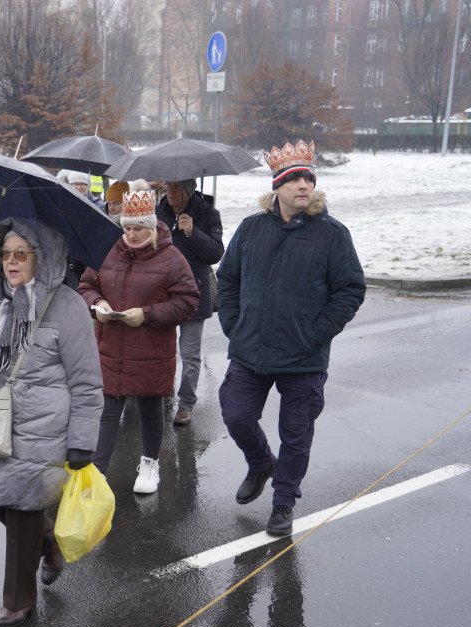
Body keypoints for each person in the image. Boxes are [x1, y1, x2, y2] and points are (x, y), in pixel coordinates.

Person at [0, 217, 103, 627]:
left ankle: (18, 601)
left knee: (20, 507)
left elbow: (88, 382)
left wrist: (82, 442)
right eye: (5, 253)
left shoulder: (68, 305)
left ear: (44, 257)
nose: (11, 261)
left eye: (21, 253)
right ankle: (47, 538)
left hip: (44, 430)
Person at [217, 140, 365, 536]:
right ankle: (261, 462)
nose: (304, 185)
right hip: (251, 349)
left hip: (304, 356)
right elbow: (227, 280)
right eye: (295, 179)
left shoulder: (332, 234)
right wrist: (234, 322)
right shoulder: (251, 229)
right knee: (235, 413)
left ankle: (283, 502)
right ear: (277, 187)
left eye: (308, 178)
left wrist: (316, 334)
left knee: (296, 435)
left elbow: (350, 289)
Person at [78, 186, 199, 492]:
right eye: (127, 228)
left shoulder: (171, 258)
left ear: (152, 228)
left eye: (139, 229)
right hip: (110, 348)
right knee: (107, 410)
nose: (131, 235)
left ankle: (150, 464)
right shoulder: (107, 249)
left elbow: (188, 301)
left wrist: (147, 314)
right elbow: (86, 286)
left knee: (150, 409)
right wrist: (97, 305)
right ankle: (98, 472)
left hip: (151, 351)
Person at [155, 177, 225, 426]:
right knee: (161, 350)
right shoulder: (158, 212)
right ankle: (160, 393)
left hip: (194, 293)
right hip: (162, 294)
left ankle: (185, 404)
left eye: (176, 187)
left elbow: (216, 253)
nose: (170, 191)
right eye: (168, 186)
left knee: (190, 354)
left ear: (188, 189)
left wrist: (193, 232)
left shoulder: (208, 214)